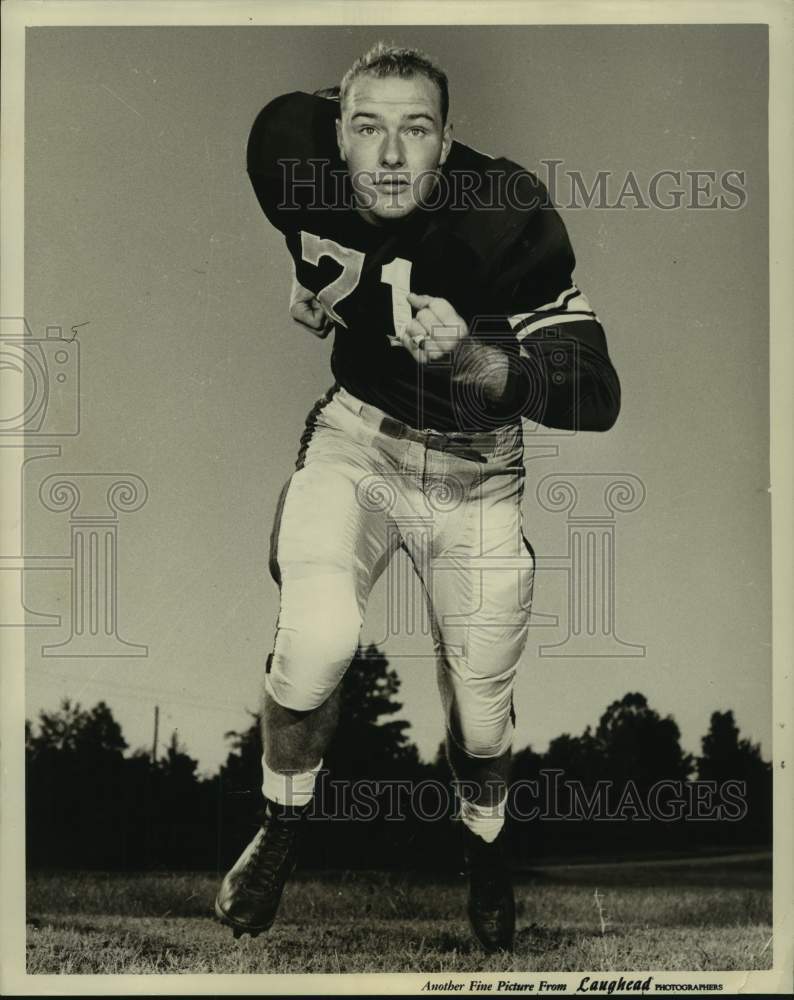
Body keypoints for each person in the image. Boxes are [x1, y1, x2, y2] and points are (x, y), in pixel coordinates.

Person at [215, 42, 620, 953]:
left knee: (481, 714)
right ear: (335, 133)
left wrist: (478, 360)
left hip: (478, 477)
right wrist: (312, 275)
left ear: (448, 144)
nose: (392, 157)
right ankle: (281, 825)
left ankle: (484, 847)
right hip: (358, 439)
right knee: (316, 640)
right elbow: (325, 232)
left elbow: (596, 389)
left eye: (417, 131)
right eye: (368, 129)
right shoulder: (287, 146)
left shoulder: (501, 211)